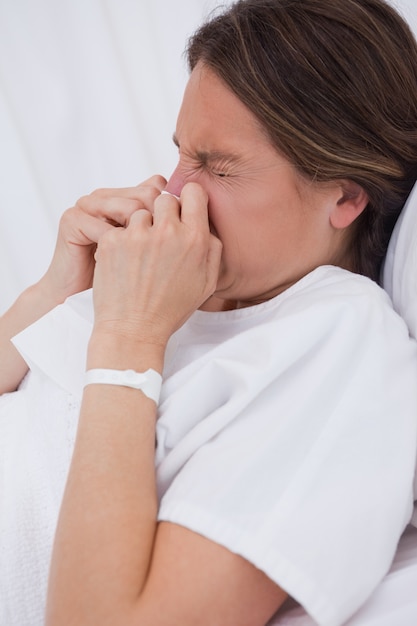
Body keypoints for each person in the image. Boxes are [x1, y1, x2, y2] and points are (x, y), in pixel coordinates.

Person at [1, 0, 417, 625]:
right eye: (181, 152)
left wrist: (130, 338)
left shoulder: (342, 344)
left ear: (346, 196)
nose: (174, 190)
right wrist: (53, 293)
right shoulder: (177, 287)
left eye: (218, 167)